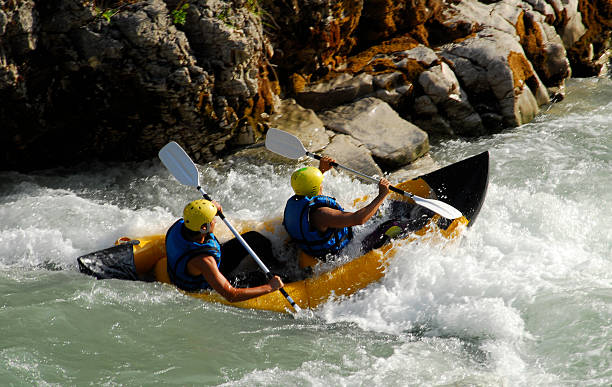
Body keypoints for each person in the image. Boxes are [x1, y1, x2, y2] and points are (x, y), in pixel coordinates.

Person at [165, 199, 284, 302]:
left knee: (254, 238)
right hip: (206, 281)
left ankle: (275, 264)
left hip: (211, 261)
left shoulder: (183, 224)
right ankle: (285, 277)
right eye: (212, 219)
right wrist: (270, 287)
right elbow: (231, 295)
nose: (215, 221)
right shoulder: (204, 260)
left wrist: (210, 207)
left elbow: (196, 211)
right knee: (262, 277)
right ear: (203, 228)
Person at [283, 156, 391, 260]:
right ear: (318, 186)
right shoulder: (321, 214)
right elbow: (359, 219)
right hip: (341, 252)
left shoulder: (297, 201)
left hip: (310, 246)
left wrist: (321, 169)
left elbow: (311, 187)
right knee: (392, 225)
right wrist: (381, 195)